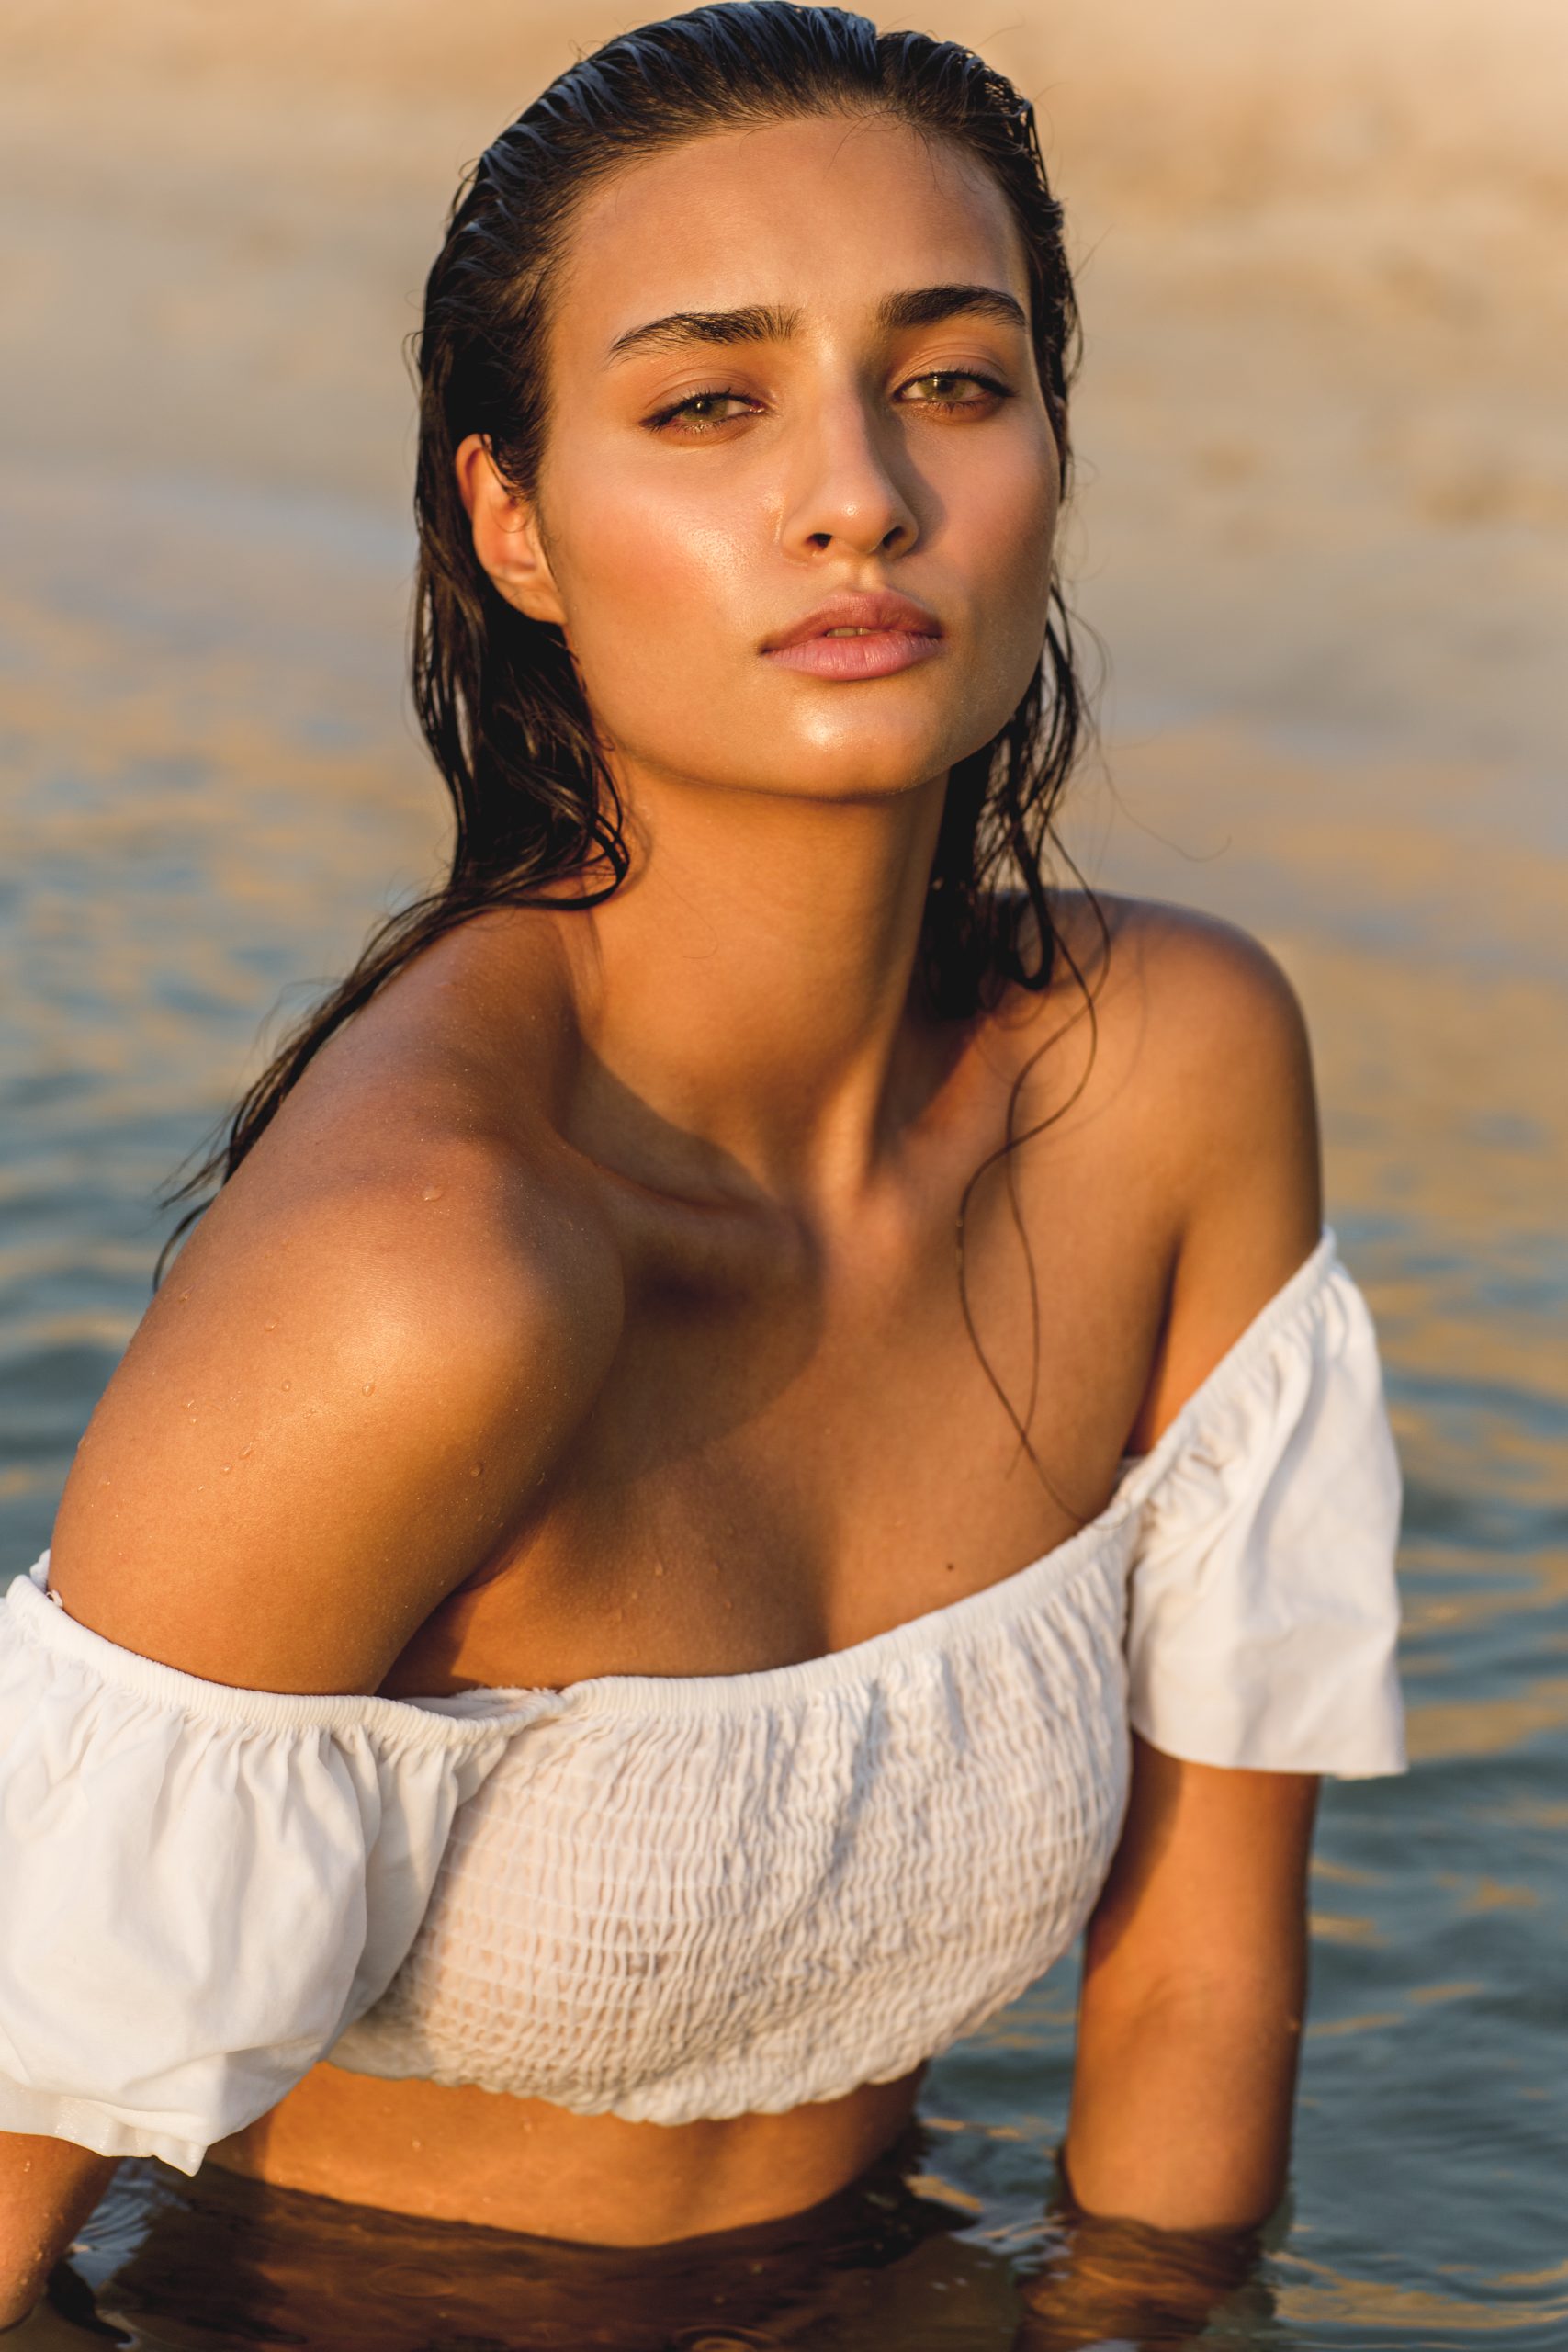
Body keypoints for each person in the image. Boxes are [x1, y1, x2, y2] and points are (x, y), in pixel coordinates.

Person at [0, 6, 1404, 2342]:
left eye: (948, 379)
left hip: (898, 2287)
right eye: (706, 402)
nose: (854, 493)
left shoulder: (1174, 1072)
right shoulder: (425, 1278)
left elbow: (1189, 1983)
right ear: (513, 523)